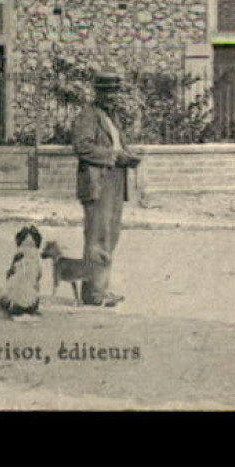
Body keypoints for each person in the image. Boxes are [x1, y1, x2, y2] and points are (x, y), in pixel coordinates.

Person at [73, 70, 142, 307]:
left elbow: (115, 145)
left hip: (114, 181)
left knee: (110, 236)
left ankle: (99, 288)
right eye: (107, 92)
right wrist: (114, 156)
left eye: (115, 92)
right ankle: (93, 293)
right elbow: (82, 147)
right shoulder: (88, 116)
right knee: (97, 237)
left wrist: (128, 155)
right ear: (97, 92)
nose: (112, 97)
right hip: (97, 182)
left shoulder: (111, 117)